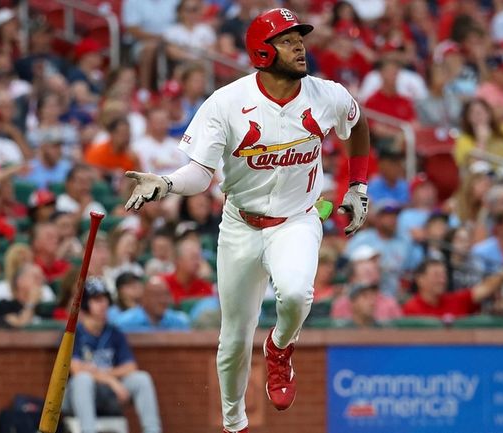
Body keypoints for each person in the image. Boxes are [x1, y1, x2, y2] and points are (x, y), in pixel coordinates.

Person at [123, 8, 371, 433]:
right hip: (240, 224)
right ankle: (234, 424)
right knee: (233, 341)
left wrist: (357, 186)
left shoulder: (326, 95)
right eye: (287, 39)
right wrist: (164, 183)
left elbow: (358, 122)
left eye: (300, 37)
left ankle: (279, 348)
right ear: (261, 51)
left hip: (298, 219)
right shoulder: (225, 103)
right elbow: (201, 174)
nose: (299, 45)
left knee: (295, 295)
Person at [64, 277, 162, 433]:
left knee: (141, 379)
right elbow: (76, 369)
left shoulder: (114, 332)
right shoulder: (75, 333)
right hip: (77, 397)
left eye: (105, 299)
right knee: (83, 380)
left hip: (109, 394)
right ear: (85, 305)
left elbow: (130, 366)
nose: (103, 304)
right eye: (97, 300)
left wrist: (105, 376)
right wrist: (111, 380)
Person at [402, 258, 503, 319]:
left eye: (443, 275)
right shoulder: (411, 308)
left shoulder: (457, 299)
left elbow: (485, 288)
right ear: (420, 279)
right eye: (436, 275)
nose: (442, 280)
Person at [110, 275, 191, 332]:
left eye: (165, 295)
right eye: (156, 295)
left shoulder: (180, 322)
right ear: (144, 299)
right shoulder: (123, 324)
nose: (162, 300)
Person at [0, 263, 49, 328]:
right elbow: (22, 327)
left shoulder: (46, 307)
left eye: (41, 278)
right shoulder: (5, 306)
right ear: (20, 281)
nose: (40, 282)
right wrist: (31, 303)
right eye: (36, 277)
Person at [161, 237, 213, 304]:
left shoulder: (204, 286)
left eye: (199, 257)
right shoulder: (163, 283)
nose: (197, 262)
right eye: (193, 258)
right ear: (179, 260)